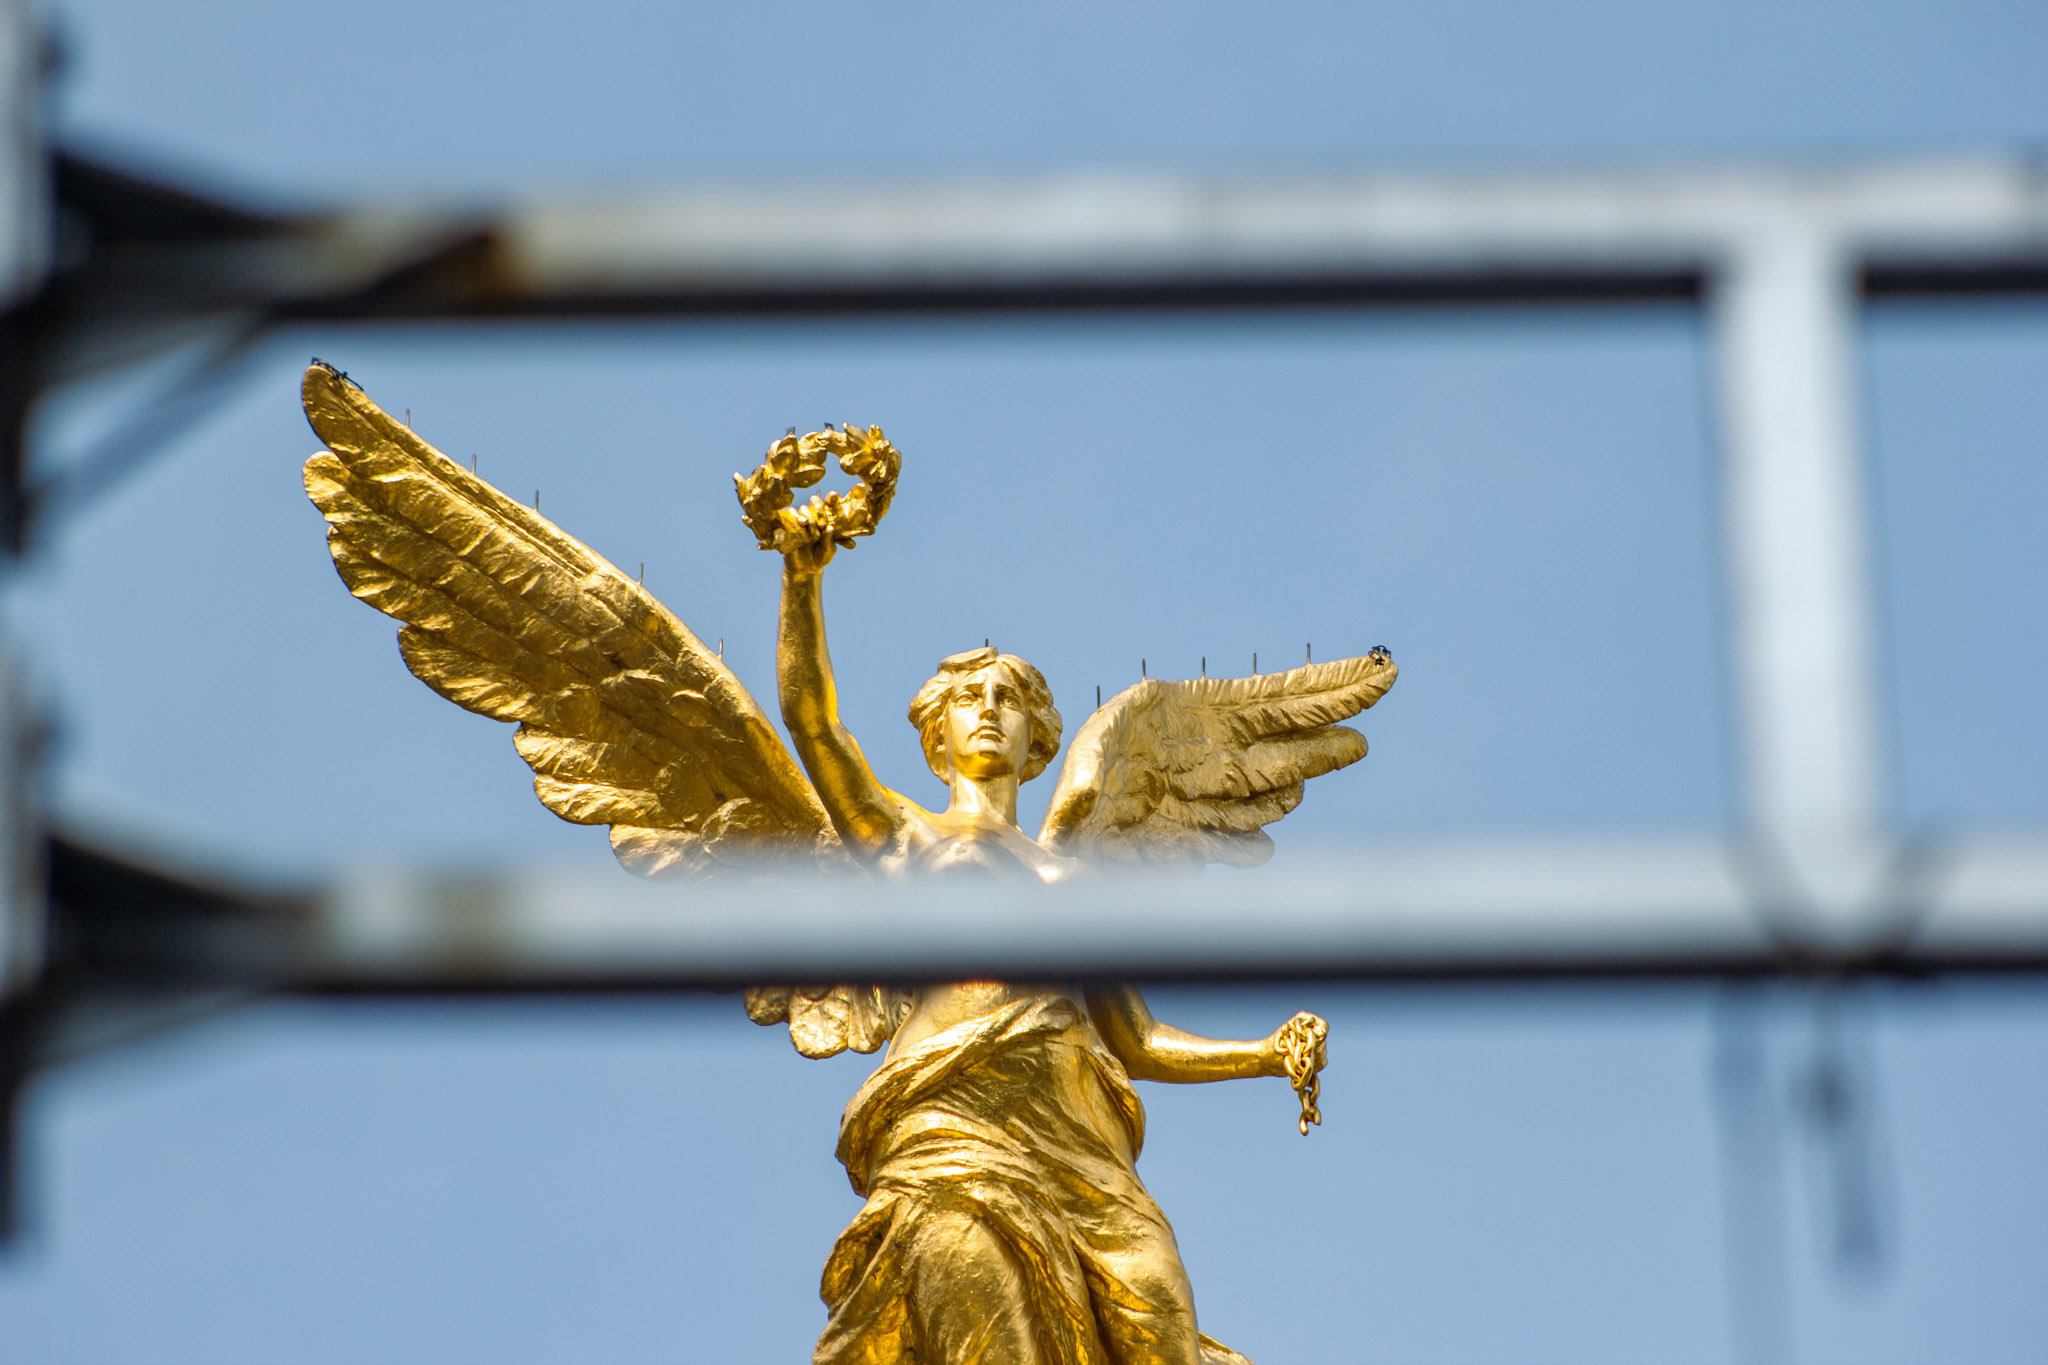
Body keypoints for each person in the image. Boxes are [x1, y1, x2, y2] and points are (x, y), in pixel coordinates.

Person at [776, 536, 1309, 1365]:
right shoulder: (905, 837)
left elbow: (1136, 1039)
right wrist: (801, 577)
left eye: (1008, 698)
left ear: (1037, 737)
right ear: (937, 734)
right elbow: (812, 722)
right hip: (953, 1125)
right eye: (969, 697)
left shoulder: (1077, 874)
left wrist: (1266, 1052)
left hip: (1086, 1145)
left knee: (1162, 1322)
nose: (989, 708)